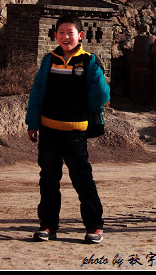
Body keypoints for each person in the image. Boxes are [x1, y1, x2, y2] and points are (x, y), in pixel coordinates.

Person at [25, 13, 110, 244]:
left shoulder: (89, 61)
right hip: (48, 131)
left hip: (75, 132)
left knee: (82, 179)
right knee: (48, 179)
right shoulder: (48, 60)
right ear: (55, 35)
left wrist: (82, 108)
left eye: (70, 33)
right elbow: (36, 93)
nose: (65, 37)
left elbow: (103, 93)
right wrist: (32, 122)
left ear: (80, 36)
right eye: (60, 32)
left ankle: (94, 226)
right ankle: (48, 225)